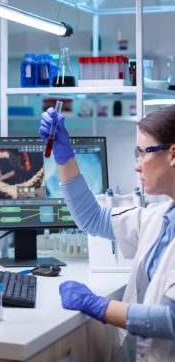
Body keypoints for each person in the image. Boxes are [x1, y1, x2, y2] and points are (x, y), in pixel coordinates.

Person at [39, 104, 175, 361]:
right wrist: (64, 157)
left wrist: (98, 305)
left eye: (143, 152)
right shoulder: (159, 218)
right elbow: (93, 217)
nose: (138, 166)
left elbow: (171, 319)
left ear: (173, 154)